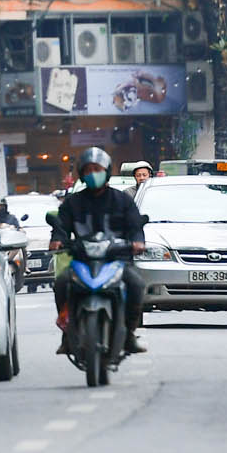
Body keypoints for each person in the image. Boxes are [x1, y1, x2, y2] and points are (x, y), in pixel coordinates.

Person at [50, 146, 147, 355]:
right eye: (88, 170)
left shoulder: (123, 200)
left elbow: (135, 226)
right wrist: (58, 240)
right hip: (82, 261)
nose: (93, 173)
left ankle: (129, 333)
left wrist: (138, 242)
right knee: (61, 284)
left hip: (117, 261)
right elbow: (61, 227)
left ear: (107, 170)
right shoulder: (72, 203)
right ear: (82, 174)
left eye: (98, 168)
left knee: (137, 285)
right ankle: (67, 334)